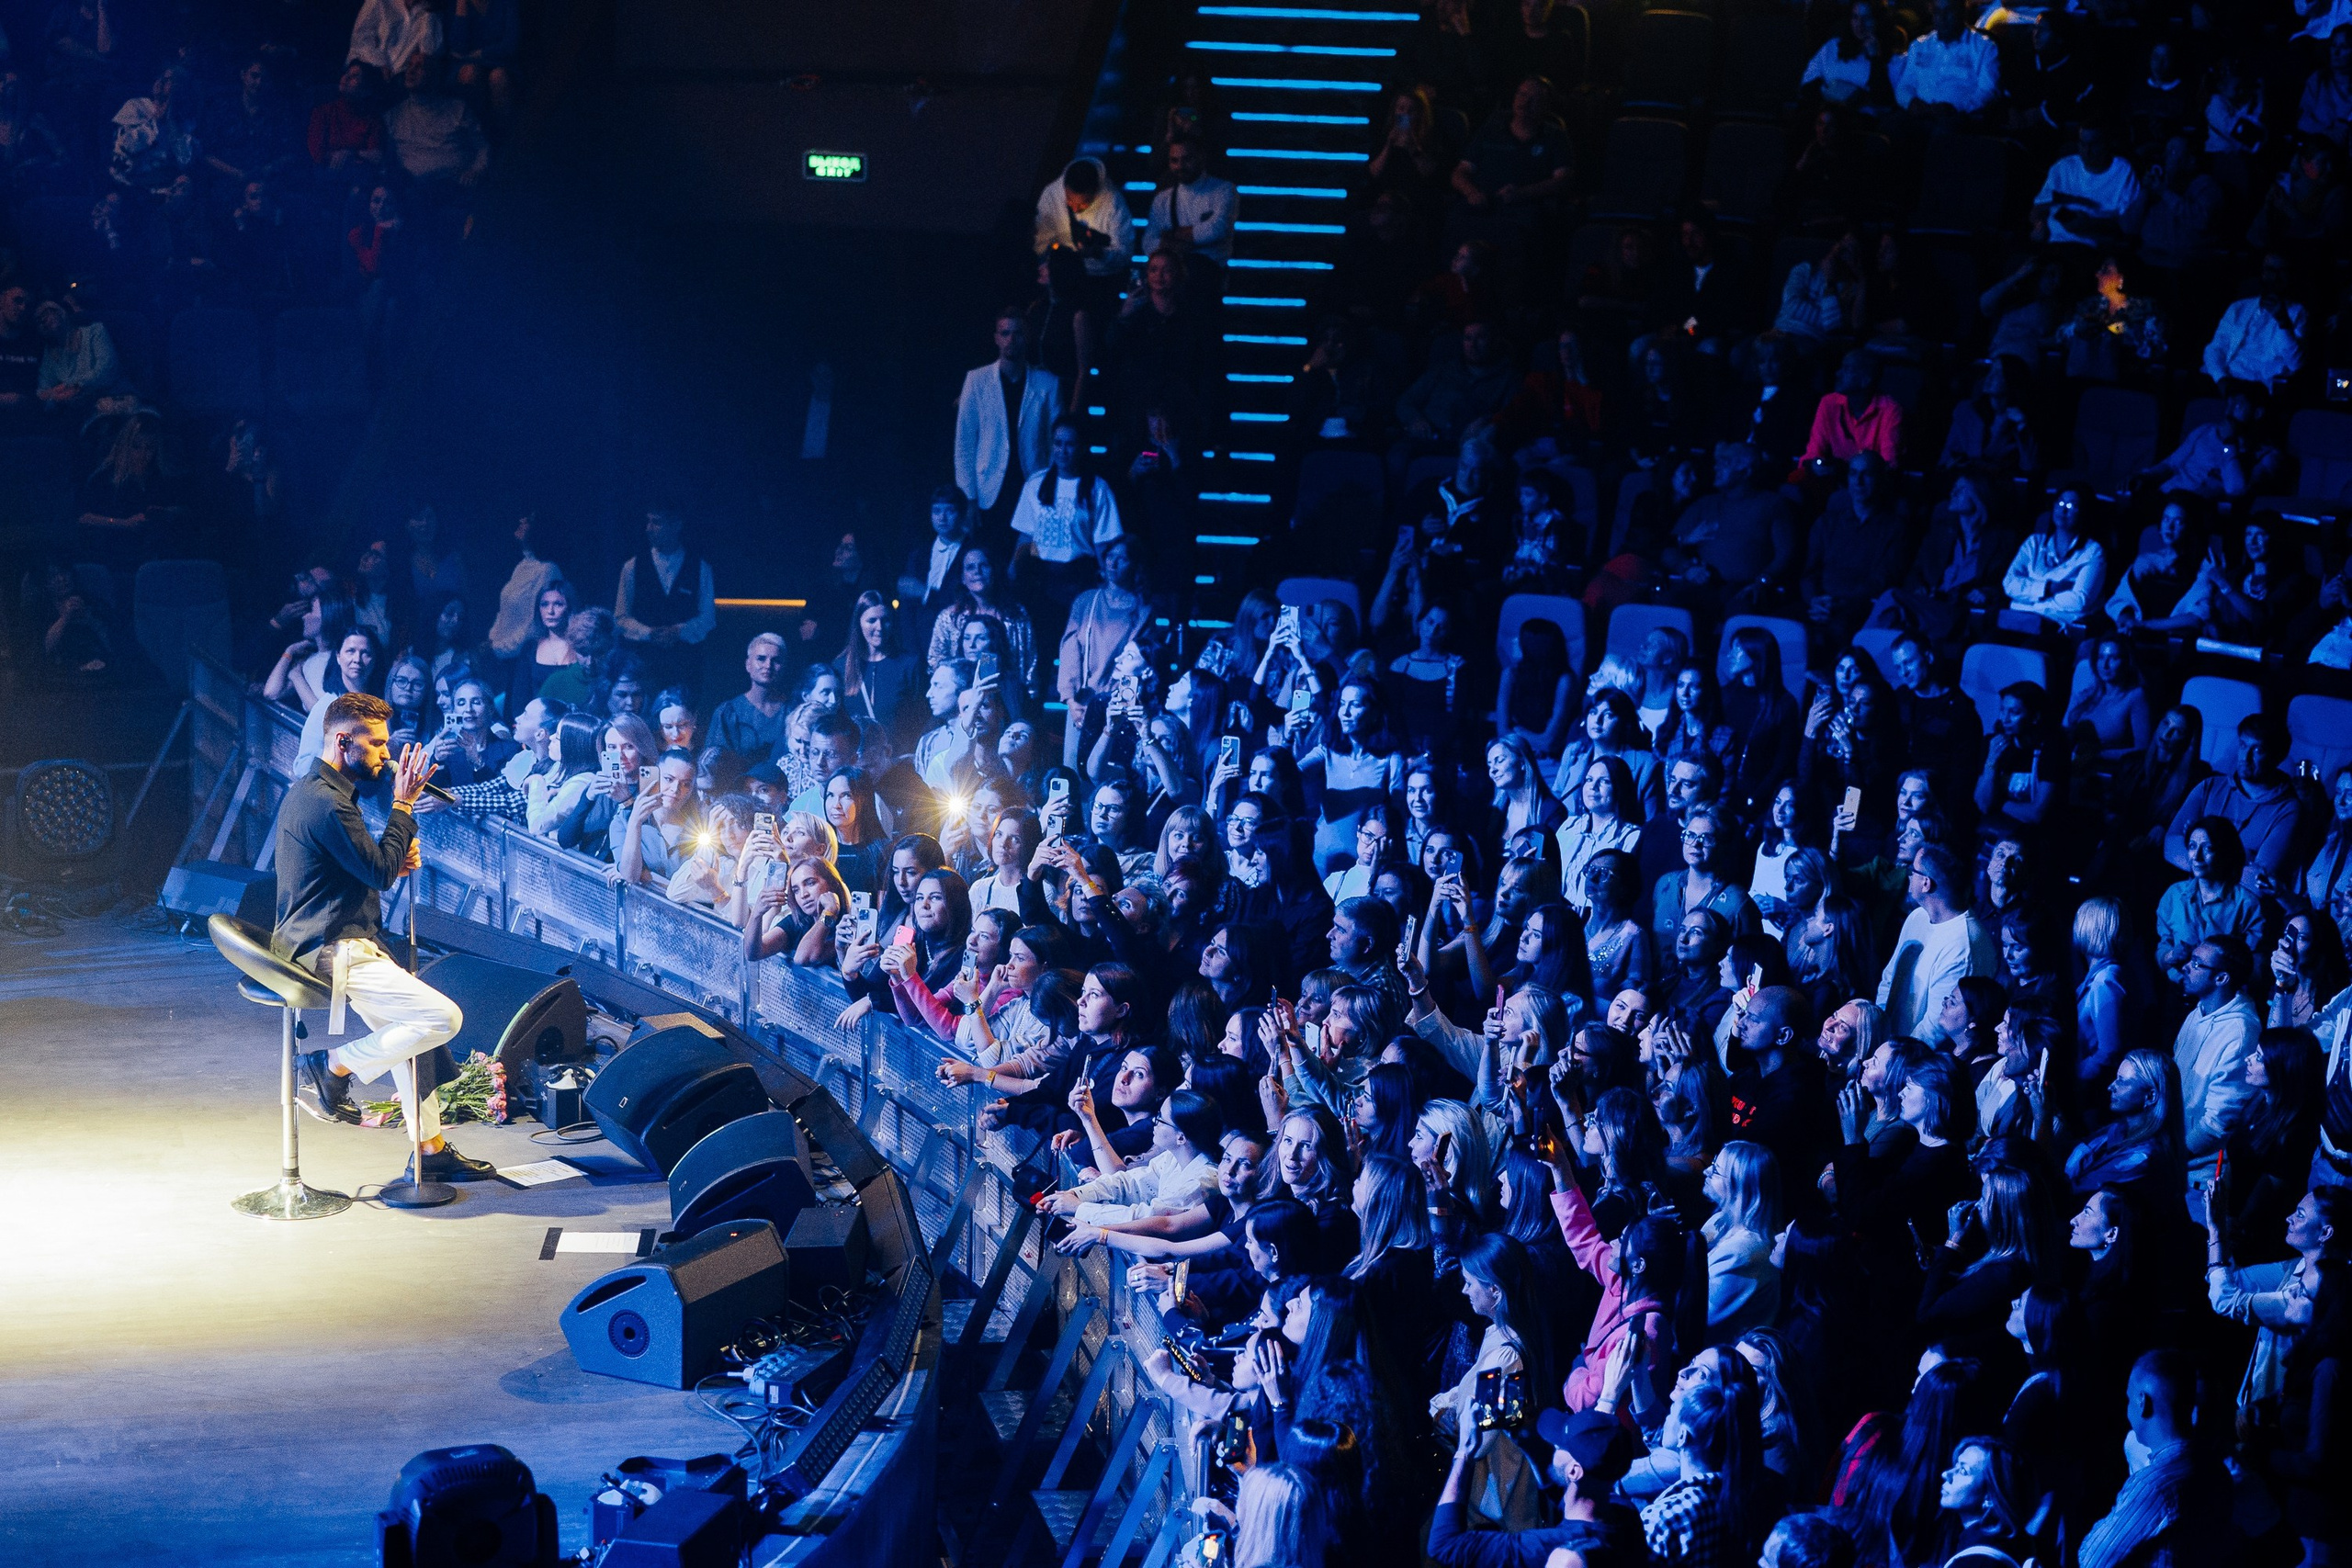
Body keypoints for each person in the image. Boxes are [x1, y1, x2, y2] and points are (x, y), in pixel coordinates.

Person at [270, 693, 488, 1182]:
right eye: (377, 744)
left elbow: (363, 865)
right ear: (343, 741)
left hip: (339, 938)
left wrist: (393, 852)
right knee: (441, 1017)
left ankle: (429, 1148)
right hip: (330, 946)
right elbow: (379, 869)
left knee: (416, 1041)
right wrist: (404, 805)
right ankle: (333, 1063)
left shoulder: (320, 792)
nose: (386, 755)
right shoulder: (327, 803)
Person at [954, 307, 1060, 541]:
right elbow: (964, 444)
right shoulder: (976, 380)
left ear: (1027, 337)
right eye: (1005, 333)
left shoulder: (1047, 383)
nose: (1011, 339)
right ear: (996, 338)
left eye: (1018, 333)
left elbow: (1056, 440)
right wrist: (968, 498)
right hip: (989, 489)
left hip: (1032, 483)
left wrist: (1051, 485)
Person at [614, 508, 715, 694]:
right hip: (643, 665)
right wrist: (649, 633)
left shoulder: (700, 568)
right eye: (648, 521)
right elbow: (620, 617)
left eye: (657, 522)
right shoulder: (632, 567)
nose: (648, 528)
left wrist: (678, 631)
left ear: (676, 526)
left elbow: (708, 618)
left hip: (686, 666)